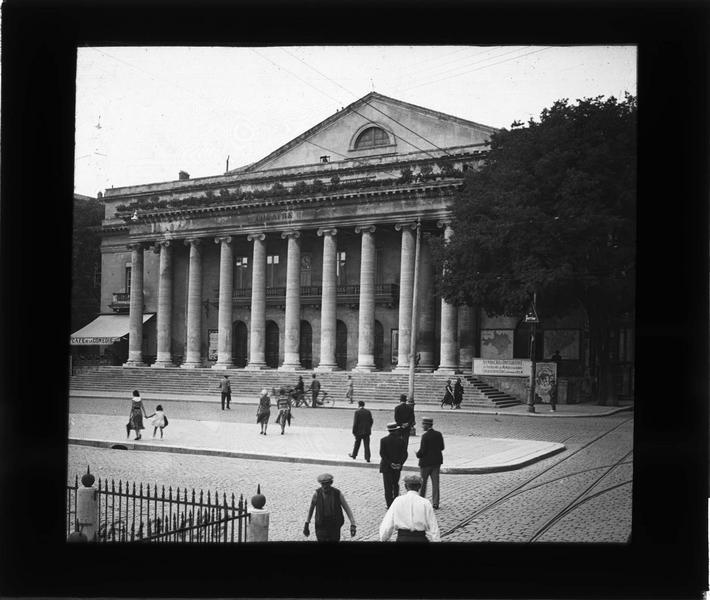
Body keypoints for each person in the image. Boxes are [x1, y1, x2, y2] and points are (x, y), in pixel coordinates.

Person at [379, 474, 440, 542]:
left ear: (405, 486)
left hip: (402, 539)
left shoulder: (398, 501)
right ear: (420, 486)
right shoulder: (425, 503)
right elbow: (433, 526)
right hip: (420, 538)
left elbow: (387, 524)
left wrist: (383, 538)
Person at [303, 473, 357, 542]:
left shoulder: (338, 494)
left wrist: (353, 524)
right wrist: (307, 523)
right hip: (321, 525)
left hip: (334, 525)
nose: (324, 486)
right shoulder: (316, 494)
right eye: (323, 484)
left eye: (326, 484)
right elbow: (311, 509)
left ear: (331, 483)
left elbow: (347, 509)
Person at [416, 417, 445, 509]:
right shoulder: (438, 434)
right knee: (435, 483)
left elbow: (423, 450)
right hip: (436, 462)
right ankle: (435, 502)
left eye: (423, 424)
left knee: (423, 483)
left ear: (427, 425)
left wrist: (418, 454)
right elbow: (442, 447)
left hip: (426, 463)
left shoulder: (425, 436)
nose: (422, 426)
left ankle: (421, 500)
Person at [379, 422, 408, 508]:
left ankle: (389, 504)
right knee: (395, 484)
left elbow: (382, 454)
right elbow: (405, 454)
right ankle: (396, 502)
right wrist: (400, 463)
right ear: (396, 430)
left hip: (387, 467)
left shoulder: (383, 440)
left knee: (387, 486)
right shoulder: (401, 440)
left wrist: (390, 463)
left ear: (388, 430)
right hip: (397, 467)